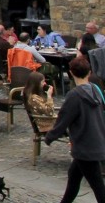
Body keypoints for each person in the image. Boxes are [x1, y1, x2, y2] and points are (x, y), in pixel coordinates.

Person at [46, 56, 105, 203]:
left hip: (85, 146)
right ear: (89, 72)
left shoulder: (75, 95)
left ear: (71, 73)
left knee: (98, 187)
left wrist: (50, 136)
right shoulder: (96, 90)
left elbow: (64, 118)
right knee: (74, 177)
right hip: (96, 141)